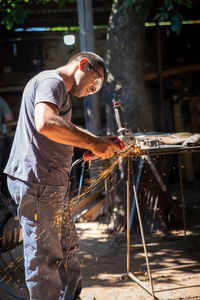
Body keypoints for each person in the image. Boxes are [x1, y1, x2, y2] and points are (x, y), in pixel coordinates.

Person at [4, 52, 121, 300]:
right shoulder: (52, 81)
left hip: (50, 184)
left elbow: (61, 125)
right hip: (37, 183)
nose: (94, 89)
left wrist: (92, 143)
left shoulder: (58, 91)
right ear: (82, 64)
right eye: (96, 81)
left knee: (67, 250)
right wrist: (92, 141)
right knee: (44, 256)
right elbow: (46, 123)